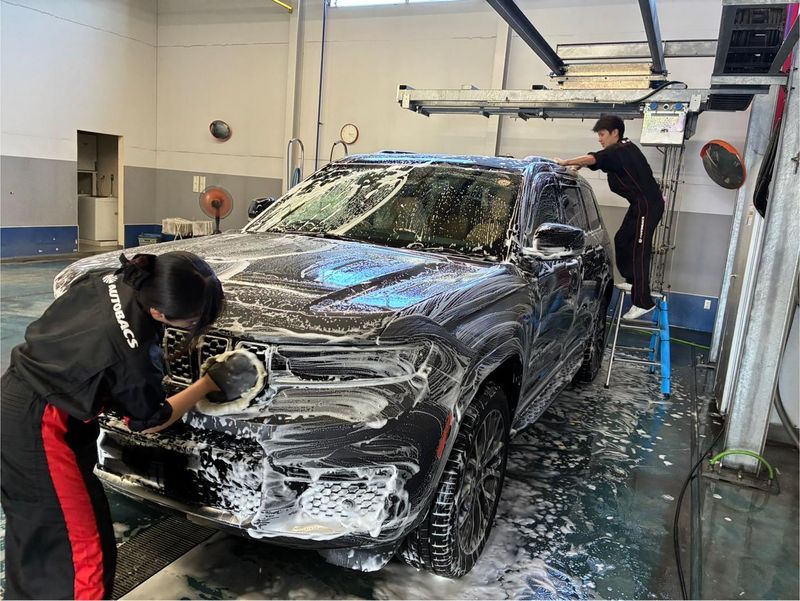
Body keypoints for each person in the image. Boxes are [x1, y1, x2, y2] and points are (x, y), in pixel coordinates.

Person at [0, 251, 248, 600]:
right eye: (193, 321)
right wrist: (209, 383)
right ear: (160, 313)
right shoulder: (132, 355)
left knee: (34, 535)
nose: (196, 326)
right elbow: (150, 421)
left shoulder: (111, 278)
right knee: (83, 553)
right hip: (44, 431)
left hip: (14, 395)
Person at [554, 115, 664, 320]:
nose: (600, 139)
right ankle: (632, 280)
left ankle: (643, 302)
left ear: (615, 133)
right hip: (639, 204)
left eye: (602, 134)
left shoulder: (620, 150)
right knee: (622, 239)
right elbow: (599, 160)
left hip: (648, 205)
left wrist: (566, 162)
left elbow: (595, 158)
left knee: (639, 249)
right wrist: (579, 166)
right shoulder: (621, 150)